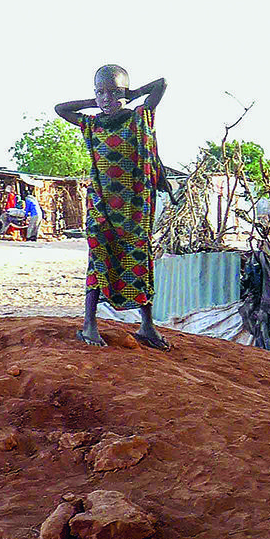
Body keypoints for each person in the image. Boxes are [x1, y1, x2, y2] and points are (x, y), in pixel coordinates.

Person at [55, 63, 171, 350]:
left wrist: (132, 95)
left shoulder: (139, 118)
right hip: (102, 207)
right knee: (99, 258)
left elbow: (162, 84)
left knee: (139, 260)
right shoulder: (91, 124)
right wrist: (93, 101)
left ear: (125, 93)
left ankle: (147, 325)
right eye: (100, 92)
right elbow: (61, 108)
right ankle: (89, 324)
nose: (106, 98)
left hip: (134, 209)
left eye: (112, 92)